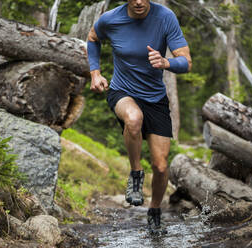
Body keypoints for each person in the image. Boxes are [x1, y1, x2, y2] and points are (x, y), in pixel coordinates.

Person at [87, 0, 192, 235]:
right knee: (133, 119)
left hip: (155, 99)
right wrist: (95, 73)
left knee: (161, 166)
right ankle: (135, 174)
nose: (138, 2)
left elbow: (186, 62)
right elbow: (93, 38)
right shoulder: (110, 19)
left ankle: (154, 210)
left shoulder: (165, 17)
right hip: (122, 91)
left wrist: (167, 62)